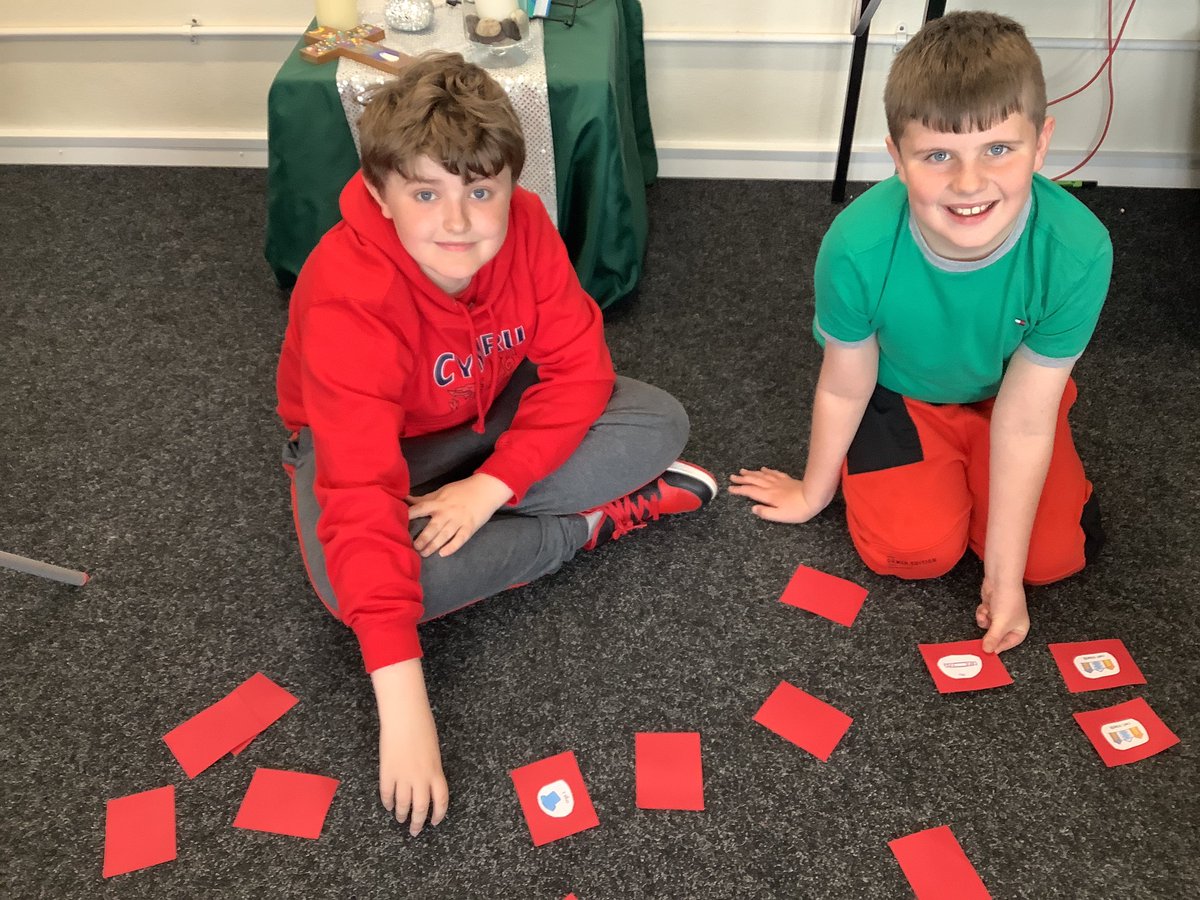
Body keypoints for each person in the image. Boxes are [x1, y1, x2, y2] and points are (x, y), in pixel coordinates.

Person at [275, 52, 715, 835]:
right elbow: (355, 488)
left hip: (490, 415)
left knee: (660, 421)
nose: (458, 222)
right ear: (380, 194)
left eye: (481, 191)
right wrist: (407, 711)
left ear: (512, 185)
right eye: (425, 192)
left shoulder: (530, 229)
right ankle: (585, 525)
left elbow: (582, 370)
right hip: (380, 448)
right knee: (364, 592)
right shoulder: (348, 293)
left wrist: (492, 487)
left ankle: (489, 508)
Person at [730, 12, 1110, 656]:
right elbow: (845, 385)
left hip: (1008, 401)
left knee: (1050, 562)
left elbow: (1024, 418)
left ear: (1041, 145)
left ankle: (990, 503)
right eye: (938, 155)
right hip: (900, 396)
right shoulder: (855, 247)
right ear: (899, 160)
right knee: (910, 553)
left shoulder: (1079, 251)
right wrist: (812, 491)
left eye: (999, 148)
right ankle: (923, 480)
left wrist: (1004, 575)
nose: (968, 184)